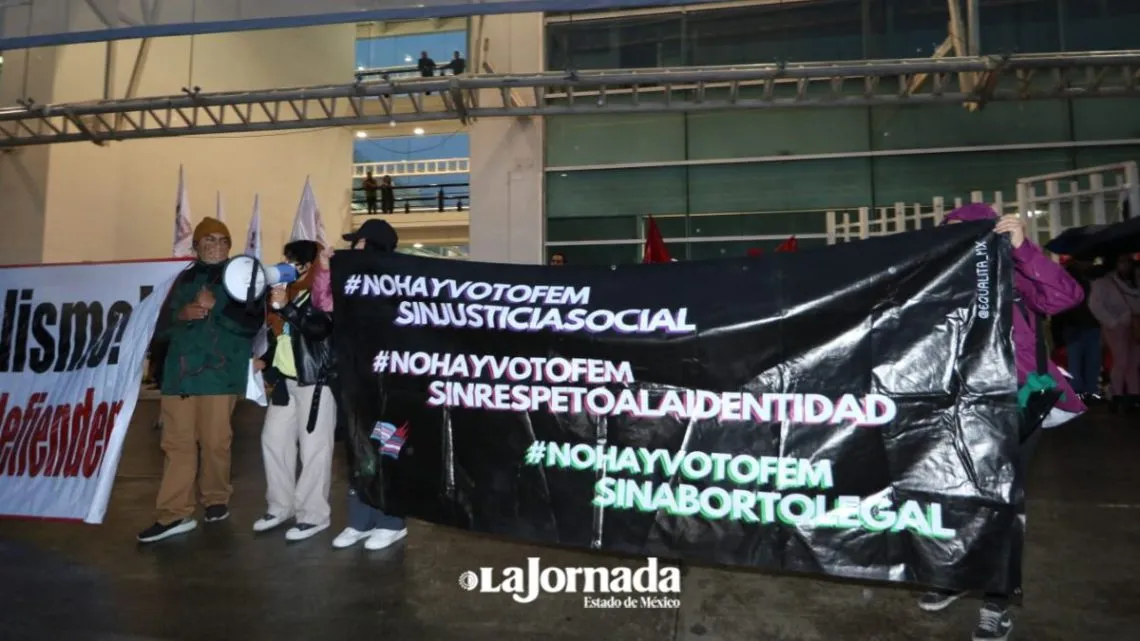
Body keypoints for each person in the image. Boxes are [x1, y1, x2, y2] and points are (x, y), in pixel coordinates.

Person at [920, 204, 1085, 641]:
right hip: (957, 405)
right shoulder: (939, 281)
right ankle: (957, 575)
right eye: (950, 234)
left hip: (1015, 402)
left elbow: (1065, 297)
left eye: (968, 233)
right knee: (954, 494)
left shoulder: (1012, 271)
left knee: (1003, 502)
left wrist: (1023, 248)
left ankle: (997, 601)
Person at [137, 217, 263, 543]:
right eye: (209, 239)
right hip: (179, 378)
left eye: (223, 240)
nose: (216, 245)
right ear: (196, 245)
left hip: (220, 376)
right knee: (176, 445)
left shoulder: (244, 276)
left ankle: (216, 499)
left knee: (216, 442)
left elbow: (251, 323)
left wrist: (215, 307)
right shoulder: (179, 280)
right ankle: (174, 513)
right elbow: (157, 327)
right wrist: (182, 314)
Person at [311, 219, 409, 550]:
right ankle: (360, 520)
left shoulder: (401, 278)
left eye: (358, 243)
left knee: (389, 449)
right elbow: (324, 305)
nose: (352, 249)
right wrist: (325, 270)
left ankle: (392, 521)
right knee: (359, 448)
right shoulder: (352, 281)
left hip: (393, 382)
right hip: (356, 379)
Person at [252, 240, 337, 541]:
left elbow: (318, 330)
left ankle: (314, 514)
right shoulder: (291, 294)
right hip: (286, 382)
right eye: (287, 260)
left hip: (316, 383)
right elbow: (283, 340)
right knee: (273, 441)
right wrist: (265, 362)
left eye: (295, 261)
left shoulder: (323, 293)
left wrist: (286, 307)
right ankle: (281, 505)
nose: (289, 266)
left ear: (309, 265)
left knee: (315, 449)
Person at [1088, 253, 1140, 413]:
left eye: (1128, 261)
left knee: (1133, 363)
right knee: (1121, 361)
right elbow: (1095, 305)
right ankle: (1117, 396)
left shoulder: (1135, 280)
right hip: (1117, 327)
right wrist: (1113, 321)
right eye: (1122, 261)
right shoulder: (1104, 282)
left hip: (1135, 325)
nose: (1126, 265)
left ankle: (1134, 396)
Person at [1054, 258, 1103, 404]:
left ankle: (1080, 393)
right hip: (1082, 325)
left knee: (1078, 362)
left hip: (1077, 324)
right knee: (1088, 362)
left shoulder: (1068, 277)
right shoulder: (1091, 277)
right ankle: (1087, 392)